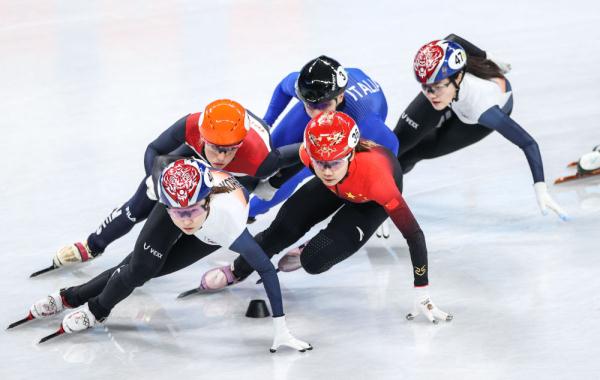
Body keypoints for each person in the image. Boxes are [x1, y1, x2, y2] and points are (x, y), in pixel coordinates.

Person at [17, 158, 312, 352]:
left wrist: (280, 328)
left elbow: (267, 270)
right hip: (190, 196)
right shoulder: (171, 190)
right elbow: (159, 160)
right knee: (137, 267)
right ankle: (75, 299)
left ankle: (90, 308)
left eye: (191, 211)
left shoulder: (230, 224)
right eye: (177, 212)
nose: (185, 220)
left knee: (148, 270)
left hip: (211, 229)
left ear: (207, 200)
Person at [201, 111, 451, 324]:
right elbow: (274, 161)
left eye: (334, 163)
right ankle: (236, 270)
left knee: (315, 261)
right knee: (281, 229)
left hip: (368, 202)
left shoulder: (380, 182)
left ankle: (307, 249)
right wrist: (259, 183)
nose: (326, 170)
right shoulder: (311, 154)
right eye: (320, 163)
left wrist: (422, 291)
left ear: (351, 154)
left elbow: (414, 235)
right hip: (336, 189)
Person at [50, 99, 300, 270]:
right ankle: (94, 244)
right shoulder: (191, 124)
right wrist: (158, 184)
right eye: (216, 148)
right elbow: (155, 150)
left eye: (228, 150)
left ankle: (142, 262)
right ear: (202, 136)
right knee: (140, 204)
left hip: (238, 173)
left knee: (191, 220)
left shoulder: (261, 159)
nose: (221, 158)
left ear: (240, 145)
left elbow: (302, 155)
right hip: (190, 157)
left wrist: (270, 186)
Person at [394, 35, 566, 219]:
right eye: (424, 86)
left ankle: (382, 200)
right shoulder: (442, 82)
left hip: (473, 122)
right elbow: (452, 39)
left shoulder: (483, 108)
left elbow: (529, 143)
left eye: (436, 86)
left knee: (417, 151)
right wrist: (488, 55)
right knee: (397, 143)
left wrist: (540, 188)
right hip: (456, 94)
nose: (430, 94)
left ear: (458, 76)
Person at [247, 55, 399, 222]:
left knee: (294, 173)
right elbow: (284, 86)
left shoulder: (365, 122)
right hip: (332, 100)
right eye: (310, 106)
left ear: (340, 97)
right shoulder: (311, 92)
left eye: (323, 107)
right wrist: (266, 122)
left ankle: (248, 214)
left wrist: (379, 186)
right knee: (267, 152)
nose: (317, 114)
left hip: (349, 121)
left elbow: (392, 144)